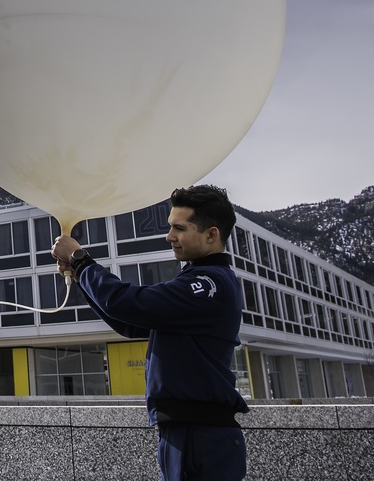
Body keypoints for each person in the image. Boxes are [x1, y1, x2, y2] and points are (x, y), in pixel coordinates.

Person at [51, 185, 248, 481]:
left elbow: (133, 304)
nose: (170, 237)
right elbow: (131, 323)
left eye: (179, 228)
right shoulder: (201, 281)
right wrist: (81, 275)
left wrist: (81, 260)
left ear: (211, 235)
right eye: (170, 227)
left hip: (201, 434)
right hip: (186, 432)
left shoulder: (208, 284)